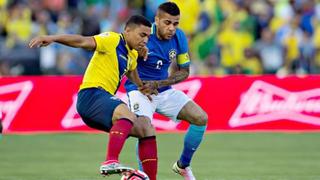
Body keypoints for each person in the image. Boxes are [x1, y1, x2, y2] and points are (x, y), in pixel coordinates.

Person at [29, 15, 158, 179]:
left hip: (101, 103)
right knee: (127, 114)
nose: (146, 40)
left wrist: (143, 87)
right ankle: (110, 162)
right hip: (91, 95)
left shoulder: (131, 55)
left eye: (148, 36)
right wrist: (52, 38)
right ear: (127, 31)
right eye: (142, 35)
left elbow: (132, 73)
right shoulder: (112, 39)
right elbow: (82, 41)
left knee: (146, 128)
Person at [125, 2, 208, 180]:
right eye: (167, 23)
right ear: (157, 20)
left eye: (175, 23)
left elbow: (184, 71)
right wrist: (142, 84)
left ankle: (183, 166)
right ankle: (146, 176)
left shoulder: (179, 37)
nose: (171, 28)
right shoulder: (143, 34)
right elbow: (125, 63)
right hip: (140, 90)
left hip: (162, 88)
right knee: (145, 129)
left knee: (200, 118)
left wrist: (159, 83)